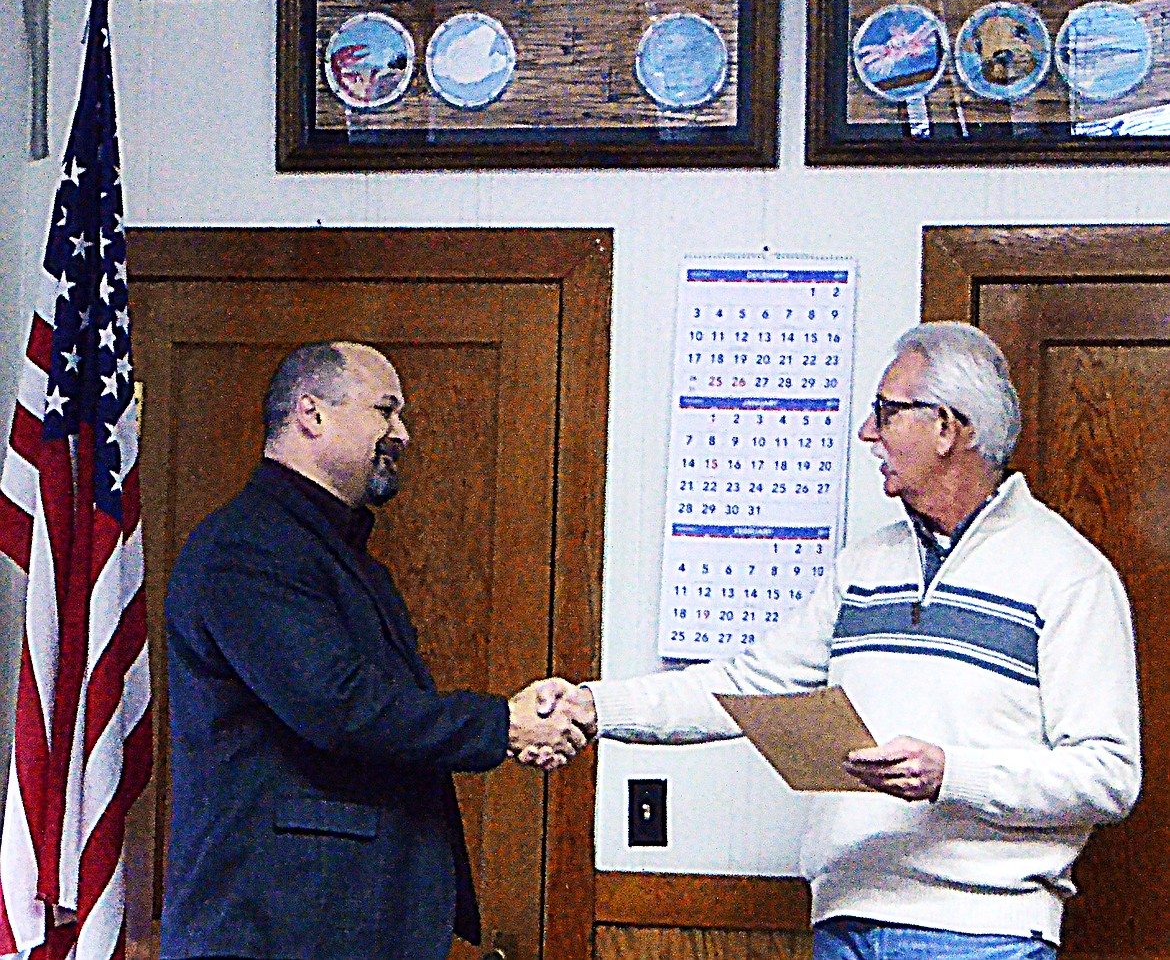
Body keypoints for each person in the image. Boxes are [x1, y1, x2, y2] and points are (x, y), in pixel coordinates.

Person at [538, 322, 1141, 958]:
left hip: (984, 935)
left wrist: (949, 774)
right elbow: (747, 684)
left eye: (887, 411)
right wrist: (594, 707)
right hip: (843, 924)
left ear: (947, 427)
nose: (867, 433)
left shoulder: (1070, 573)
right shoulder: (865, 567)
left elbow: (1108, 775)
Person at [160, 341, 593, 960]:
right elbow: (343, 708)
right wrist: (507, 724)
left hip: (329, 926)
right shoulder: (247, 549)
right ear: (312, 414)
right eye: (386, 411)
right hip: (276, 931)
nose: (403, 433)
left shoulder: (335, 555)